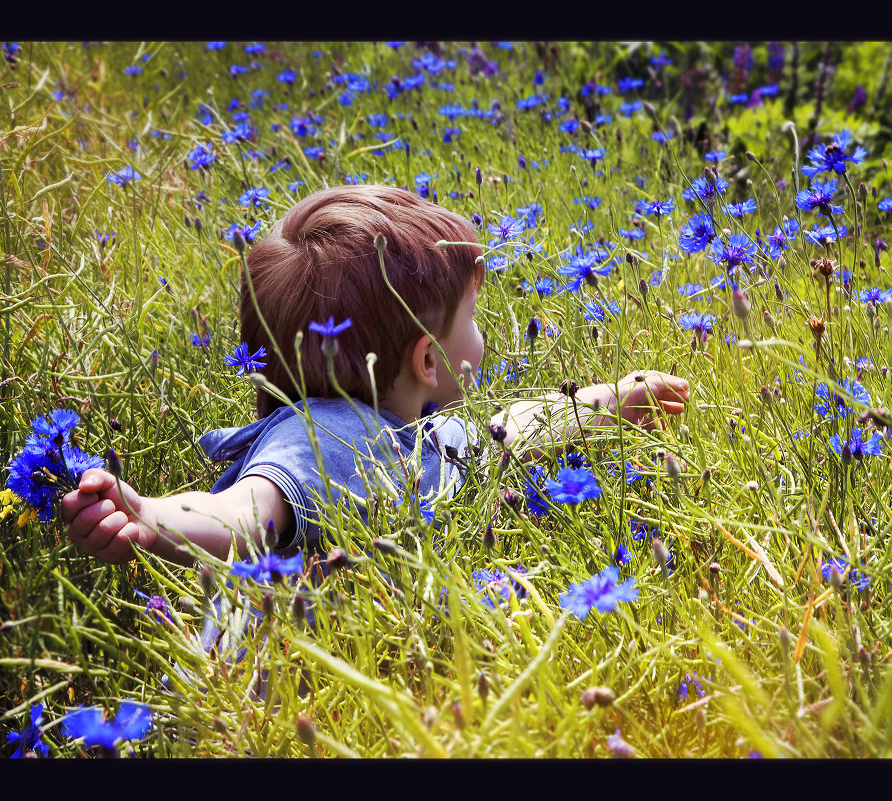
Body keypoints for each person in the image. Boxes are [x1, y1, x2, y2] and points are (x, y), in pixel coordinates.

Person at [61, 185, 691, 568]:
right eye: (470, 320)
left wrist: (605, 401)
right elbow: (247, 510)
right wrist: (156, 519)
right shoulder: (330, 436)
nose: (484, 335)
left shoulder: (412, 429)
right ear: (426, 361)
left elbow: (505, 431)